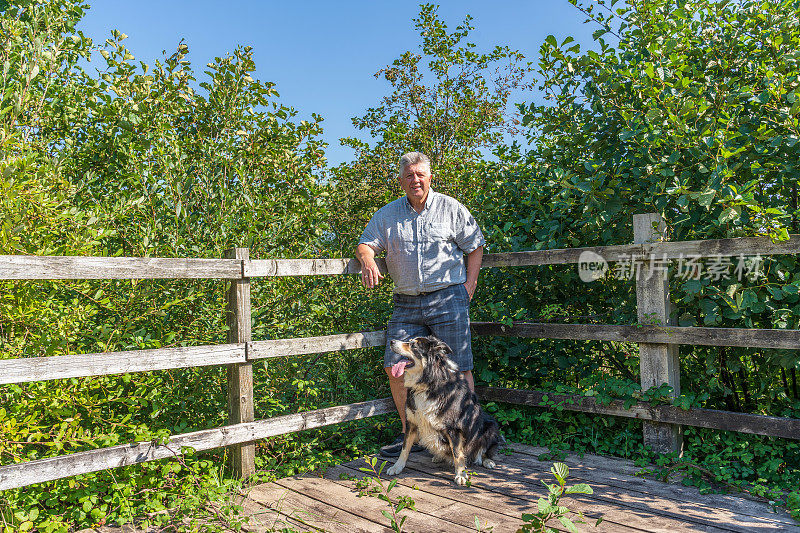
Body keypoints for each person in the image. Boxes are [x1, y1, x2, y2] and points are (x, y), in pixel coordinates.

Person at [355, 151, 485, 457]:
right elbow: (365, 243)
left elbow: (476, 244)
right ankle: (410, 436)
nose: (415, 180)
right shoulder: (387, 214)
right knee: (395, 368)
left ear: (430, 177)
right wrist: (368, 259)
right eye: (409, 175)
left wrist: (470, 285)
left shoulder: (451, 208)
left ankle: (463, 438)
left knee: (460, 368)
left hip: (448, 297)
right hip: (406, 303)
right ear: (401, 181)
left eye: (420, 174)